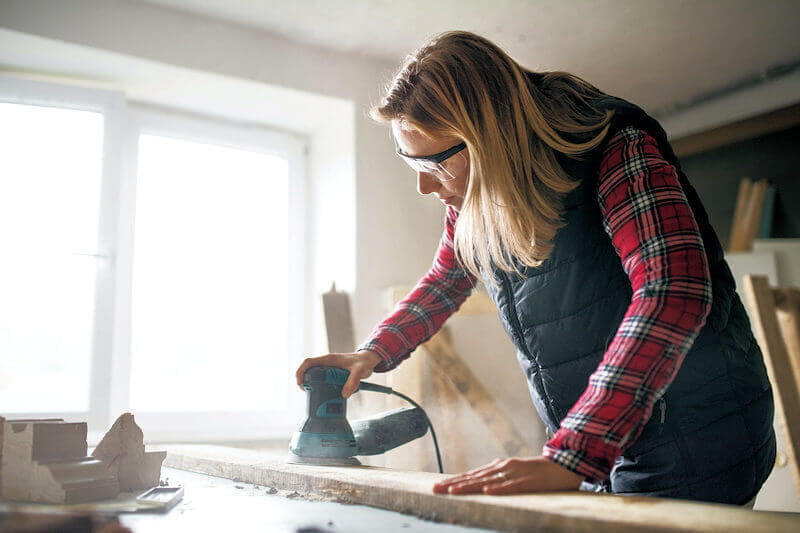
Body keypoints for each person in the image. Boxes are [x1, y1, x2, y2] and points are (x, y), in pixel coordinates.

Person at [295, 31, 775, 505]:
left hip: (697, 432)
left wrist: (575, 454)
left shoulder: (615, 148)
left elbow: (673, 291)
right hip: (601, 438)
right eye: (409, 159)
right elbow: (446, 280)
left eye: (436, 162)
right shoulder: (475, 187)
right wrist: (372, 353)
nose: (424, 185)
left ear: (491, 138)